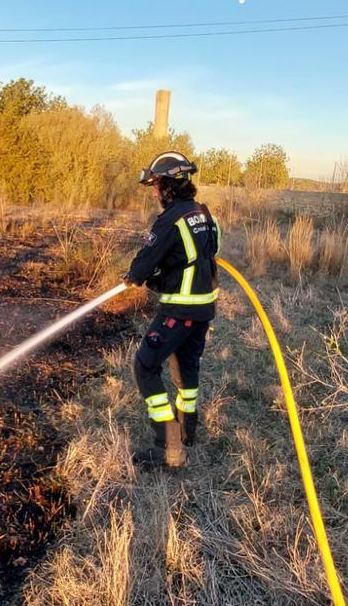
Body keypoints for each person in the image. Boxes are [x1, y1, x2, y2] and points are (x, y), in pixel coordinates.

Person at [122, 151, 221, 469]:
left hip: (180, 308)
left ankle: (168, 447)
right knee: (186, 368)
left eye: (156, 185)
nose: (154, 192)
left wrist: (135, 277)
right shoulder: (204, 213)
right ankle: (188, 432)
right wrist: (162, 278)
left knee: (145, 365)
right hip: (204, 308)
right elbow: (198, 256)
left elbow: (142, 266)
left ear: (167, 186)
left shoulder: (169, 220)